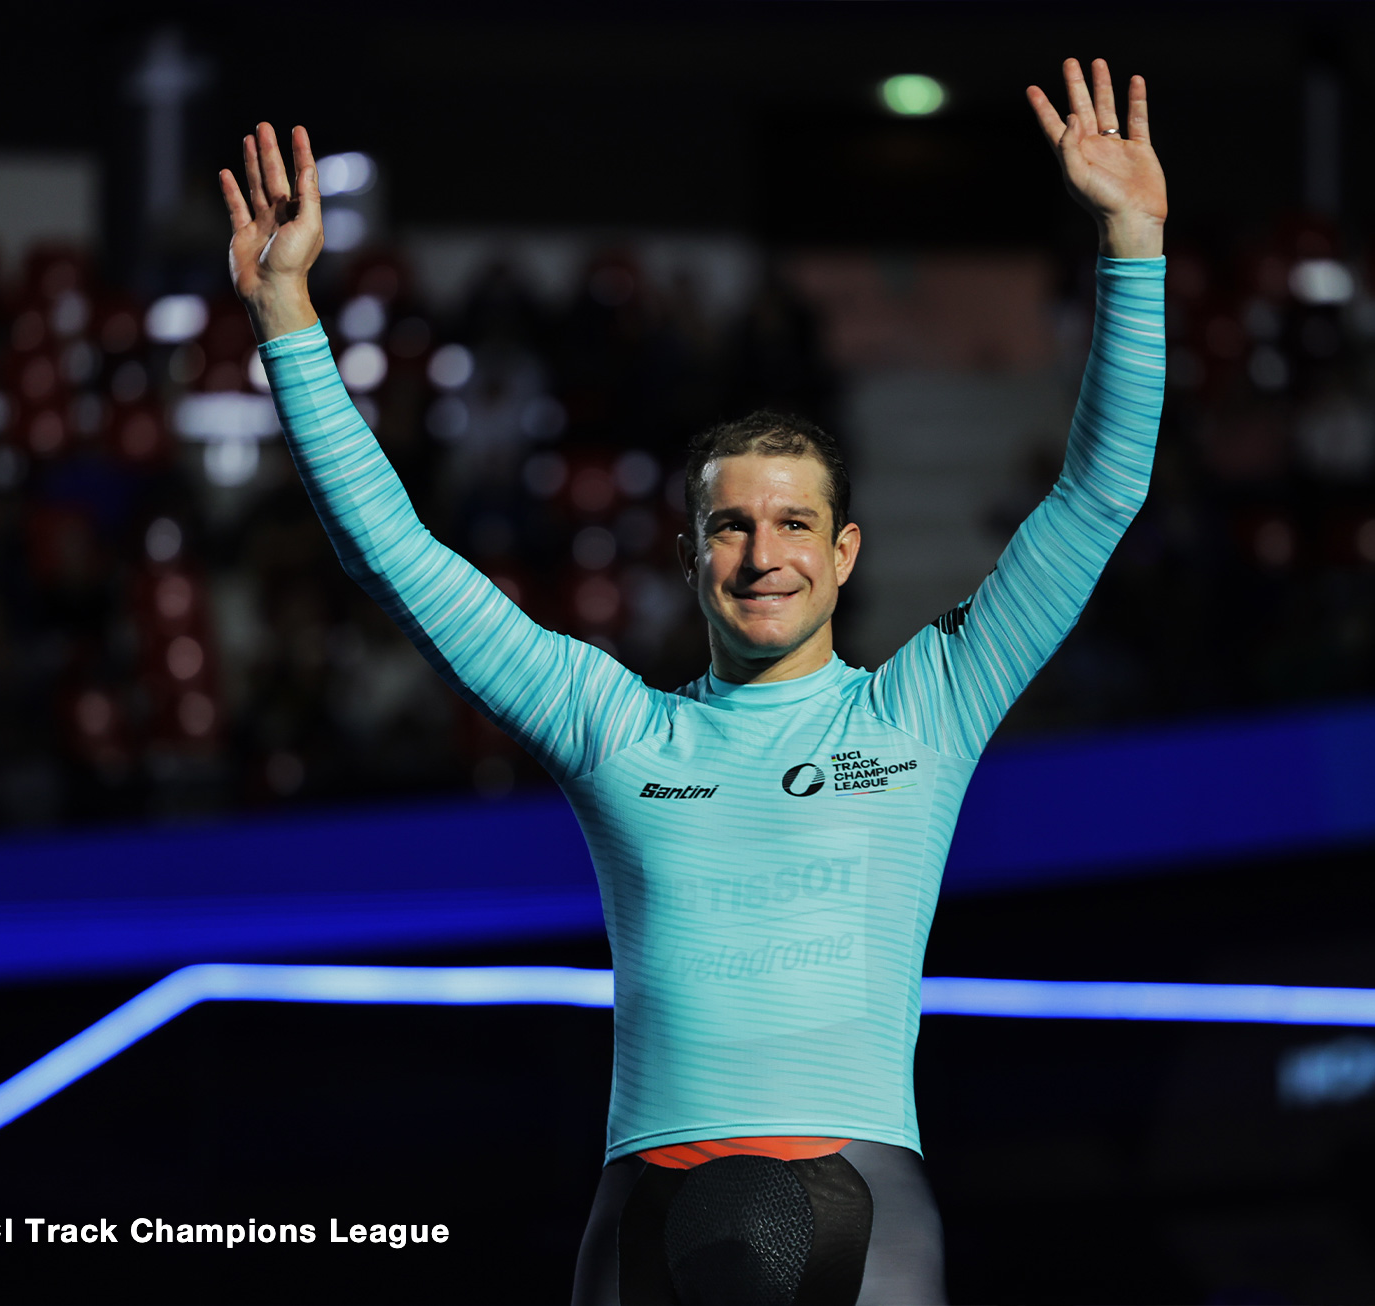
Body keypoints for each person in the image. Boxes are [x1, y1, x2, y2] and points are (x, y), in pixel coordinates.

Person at [220, 55, 1166, 1306]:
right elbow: (394, 558)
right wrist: (287, 312)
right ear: (688, 557)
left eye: (791, 524)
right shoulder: (615, 728)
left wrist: (1132, 242)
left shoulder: (925, 706)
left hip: (860, 1212)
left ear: (843, 555)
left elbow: (1099, 494)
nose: (760, 553)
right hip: (642, 1220)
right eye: (729, 526)